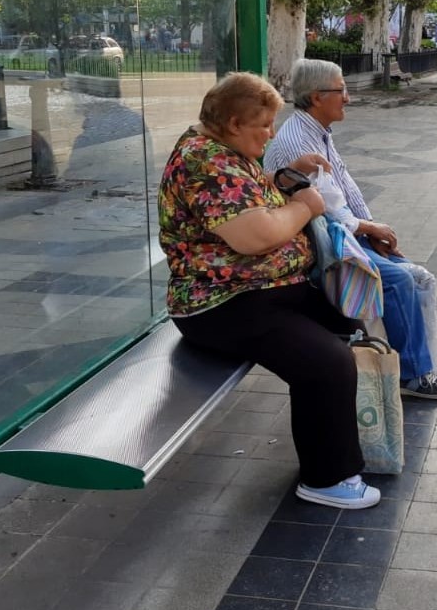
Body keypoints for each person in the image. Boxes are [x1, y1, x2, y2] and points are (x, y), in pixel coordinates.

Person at [158, 72, 380, 510]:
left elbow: (250, 199)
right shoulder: (206, 162)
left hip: (259, 288)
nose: (271, 133)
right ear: (235, 123)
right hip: (219, 303)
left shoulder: (225, 148)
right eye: (263, 124)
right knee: (326, 362)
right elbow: (254, 236)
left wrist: (282, 181)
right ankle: (326, 478)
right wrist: (304, 204)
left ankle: (332, 429)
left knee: (344, 320)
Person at [266, 58, 437, 400]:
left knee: (417, 276)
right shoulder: (299, 142)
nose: (348, 97)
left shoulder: (316, 132)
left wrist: (372, 232)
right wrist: (369, 229)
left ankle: (427, 362)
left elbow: (343, 194)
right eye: (341, 89)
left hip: (344, 237)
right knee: (401, 279)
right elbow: (328, 213)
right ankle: (414, 375)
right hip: (327, 250)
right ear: (317, 97)